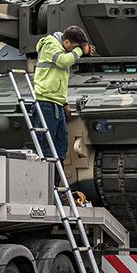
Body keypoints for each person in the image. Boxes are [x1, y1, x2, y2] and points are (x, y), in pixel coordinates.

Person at [33, 25, 95, 182]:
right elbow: (63, 61)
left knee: (60, 149)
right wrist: (81, 50)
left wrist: (64, 103)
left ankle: (55, 187)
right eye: (73, 47)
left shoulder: (62, 49)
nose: (73, 51)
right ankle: (47, 189)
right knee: (48, 151)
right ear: (66, 41)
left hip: (56, 105)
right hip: (45, 104)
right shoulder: (50, 45)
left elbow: (58, 79)